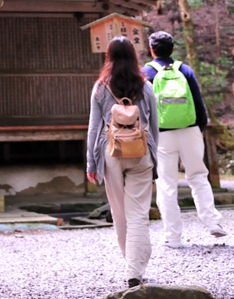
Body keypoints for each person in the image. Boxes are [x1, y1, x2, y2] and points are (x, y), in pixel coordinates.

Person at [87, 37, 160, 289]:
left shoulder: (100, 87)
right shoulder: (145, 85)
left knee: (119, 213)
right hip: (141, 152)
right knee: (138, 214)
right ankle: (134, 270)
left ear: (109, 57)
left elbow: (94, 128)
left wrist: (90, 164)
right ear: (133, 56)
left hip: (110, 152)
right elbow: (155, 125)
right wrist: (155, 156)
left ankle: (131, 265)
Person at [142, 31, 226, 247]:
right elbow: (198, 102)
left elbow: (143, 107)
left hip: (162, 134)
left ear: (152, 50)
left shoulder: (147, 72)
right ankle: (213, 223)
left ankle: (173, 237)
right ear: (172, 49)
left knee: (166, 184)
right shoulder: (185, 70)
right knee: (198, 176)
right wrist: (199, 127)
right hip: (190, 130)